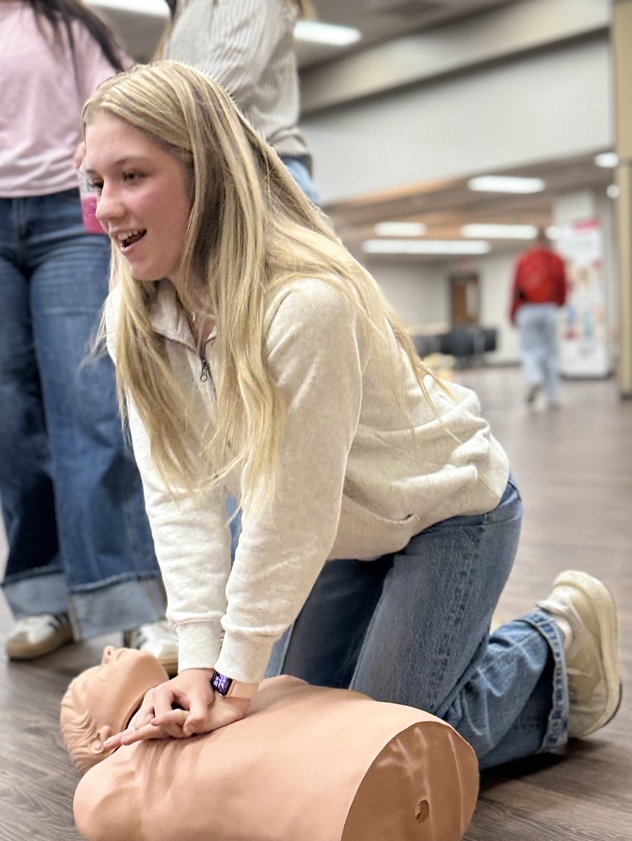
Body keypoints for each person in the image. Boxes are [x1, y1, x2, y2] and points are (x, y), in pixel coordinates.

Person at [81, 61, 621, 770]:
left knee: (370, 757)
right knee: (293, 731)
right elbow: (180, 498)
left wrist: (232, 674)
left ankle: (550, 648)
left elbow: (287, 508)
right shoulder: (138, 315)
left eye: (131, 176)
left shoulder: (305, 302)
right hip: (342, 536)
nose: (107, 207)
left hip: (446, 515)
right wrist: (198, 663)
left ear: (204, 172)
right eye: (96, 183)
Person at [0, 0, 177, 672]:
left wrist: (105, 158)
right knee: (11, 420)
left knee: (88, 405)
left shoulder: (71, 25)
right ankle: (42, 595)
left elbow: (124, 105)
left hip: (61, 221)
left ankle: (128, 602)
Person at [160, 0, 318, 203]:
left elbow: (229, 74)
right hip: (220, 170)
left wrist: (152, 115)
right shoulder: (186, 6)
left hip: (263, 170)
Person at [510, 227, 568, 407]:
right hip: (549, 309)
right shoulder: (556, 260)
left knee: (529, 349)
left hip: (527, 310)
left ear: (533, 242)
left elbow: (515, 289)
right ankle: (552, 396)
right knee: (551, 352)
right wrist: (557, 304)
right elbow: (562, 286)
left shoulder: (523, 259)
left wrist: (513, 313)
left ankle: (534, 377)